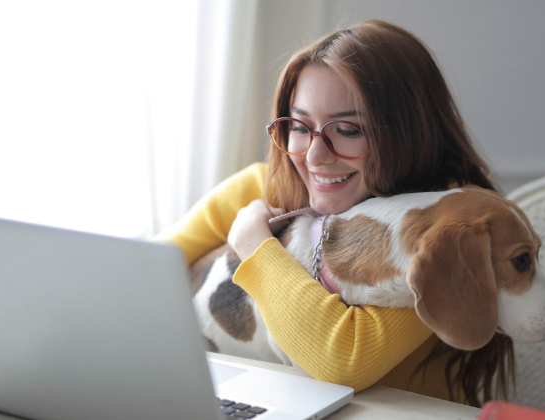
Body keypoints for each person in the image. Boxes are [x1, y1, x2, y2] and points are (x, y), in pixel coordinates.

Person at [157, 19, 513, 407]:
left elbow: (343, 363)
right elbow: (137, 274)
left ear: (410, 134)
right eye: (299, 125)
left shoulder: (438, 231)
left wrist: (255, 246)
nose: (314, 156)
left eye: (347, 129)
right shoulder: (260, 188)